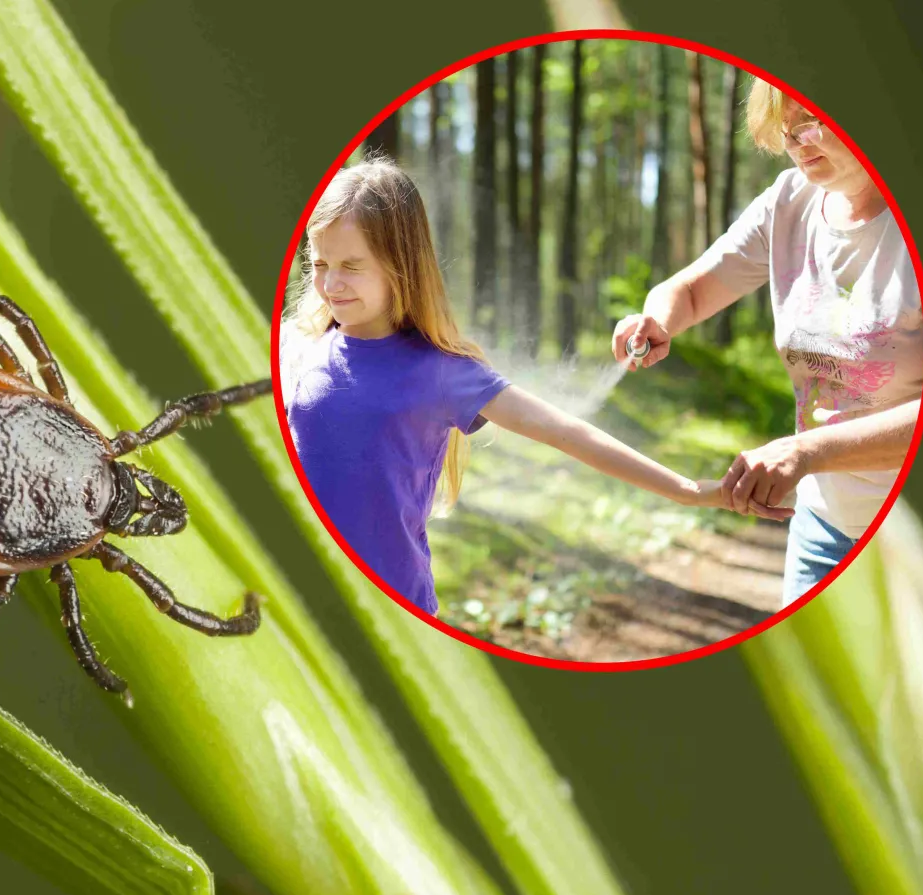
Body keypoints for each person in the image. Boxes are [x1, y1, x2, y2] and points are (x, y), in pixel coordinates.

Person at [280, 159, 791, 617]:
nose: (330, 284)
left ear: (401, 267)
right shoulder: (299, 347)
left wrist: (689, 491)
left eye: (351, 267)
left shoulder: (439, 372)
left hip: (394, 611)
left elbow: (567, 434)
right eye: (320, 265)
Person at [613, 78, 923, 606]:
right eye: (785, 130)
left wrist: (807, 450)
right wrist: (655, 321)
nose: (797, 145)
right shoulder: (790, 201)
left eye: (811, 125)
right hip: (824, 528)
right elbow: (689, 290)